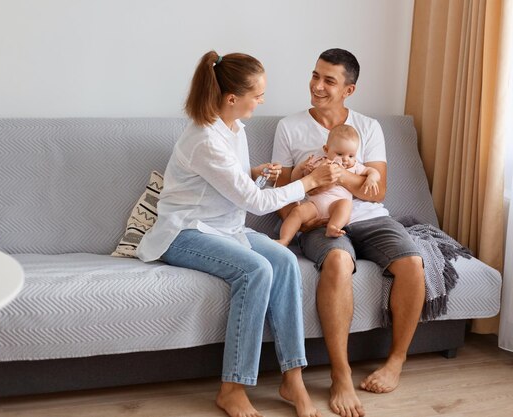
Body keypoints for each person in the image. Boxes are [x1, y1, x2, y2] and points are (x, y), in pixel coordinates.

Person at [137, 50, 341, 417]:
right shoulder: (204, 139)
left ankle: (292, 377)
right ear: (232, 98)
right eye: (258, 95)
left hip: (224, 229)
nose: (263, 101)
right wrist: (308, 181)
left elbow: (231, 184)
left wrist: (254, 172)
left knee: (285, 261)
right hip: (183, 233)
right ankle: (232, 387)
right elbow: (256, 204)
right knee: (256, 270)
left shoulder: (234, 128)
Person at [272, 48, 426, 417]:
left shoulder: (368, 127)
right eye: (315, 75)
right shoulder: (289, 126)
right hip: (318, 219)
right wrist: (302, 211)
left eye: (329, 80)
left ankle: (395, 362)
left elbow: (377, 190)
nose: (317, 86)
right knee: (339, 262)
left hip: (371, 217)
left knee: (412, 262)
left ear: (348, 90)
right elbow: (279, 193)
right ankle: (340, 374)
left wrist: (340, 175)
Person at [276, 124, 380, 246]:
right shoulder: (319, 162)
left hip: (336, 205)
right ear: (326, 150)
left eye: (351, 155)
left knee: (346, 205)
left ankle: (333, 227)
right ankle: (284, 239)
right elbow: (296, 180)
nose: (346, 159)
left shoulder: (355, 166)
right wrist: (301, 168)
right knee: (297, 212)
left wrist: (372, 178)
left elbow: (372, 171)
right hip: (314, 205)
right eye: (340, 154)